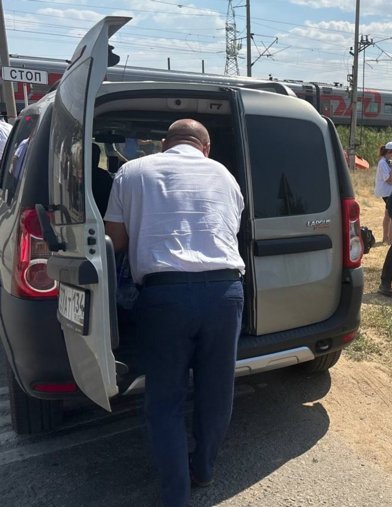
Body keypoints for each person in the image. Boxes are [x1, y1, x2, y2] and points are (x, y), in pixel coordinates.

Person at [104, 119, 245, 507]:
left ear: (163, 144)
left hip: (164, 296)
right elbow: (228, 230)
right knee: (217, 392)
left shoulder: (132, 172)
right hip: (225, 292)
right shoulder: (226, 176)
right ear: (207, 146)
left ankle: (175, 496)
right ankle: (203, 469)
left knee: (165, 399)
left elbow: (112, 242)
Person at [375, 142, 392, 243]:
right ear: (390, 152)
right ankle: (390, 239)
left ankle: (386, 237)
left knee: (388, 214)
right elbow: (389, 180)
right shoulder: (382, 163)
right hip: (387, 192)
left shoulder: (389, 162)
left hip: (391, 191)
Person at [91, 144, 113, 217]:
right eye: (94, 155)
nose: (95, 158)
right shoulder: (104, 176)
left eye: (97, 155)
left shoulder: (104, 176)